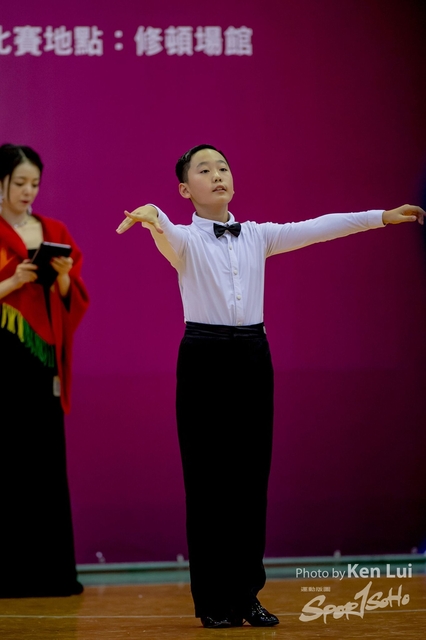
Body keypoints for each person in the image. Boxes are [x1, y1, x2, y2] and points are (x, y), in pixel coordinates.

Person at [116, 144, 424, 628]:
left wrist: (381, 217)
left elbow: (320, 227)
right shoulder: (184, 240)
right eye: (204, 170)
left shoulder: (258, 235)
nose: (217, 175)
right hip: (204, 357)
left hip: (253, 356)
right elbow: (164, 227)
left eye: (222, 167)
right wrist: (153, 215)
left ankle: (246, 597)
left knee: (250, 481)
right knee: (208, 482)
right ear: (185, 189)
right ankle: (214, 602)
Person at [0, 143, 89, 597]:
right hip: (2, 360)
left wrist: (64, 276)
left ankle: (51, 574)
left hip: (41, 363)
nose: (28, 191)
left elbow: (75, 298)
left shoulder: (53, 230)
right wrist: (11, 282)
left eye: (34, 183)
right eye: (19, 182)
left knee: (44, 465)